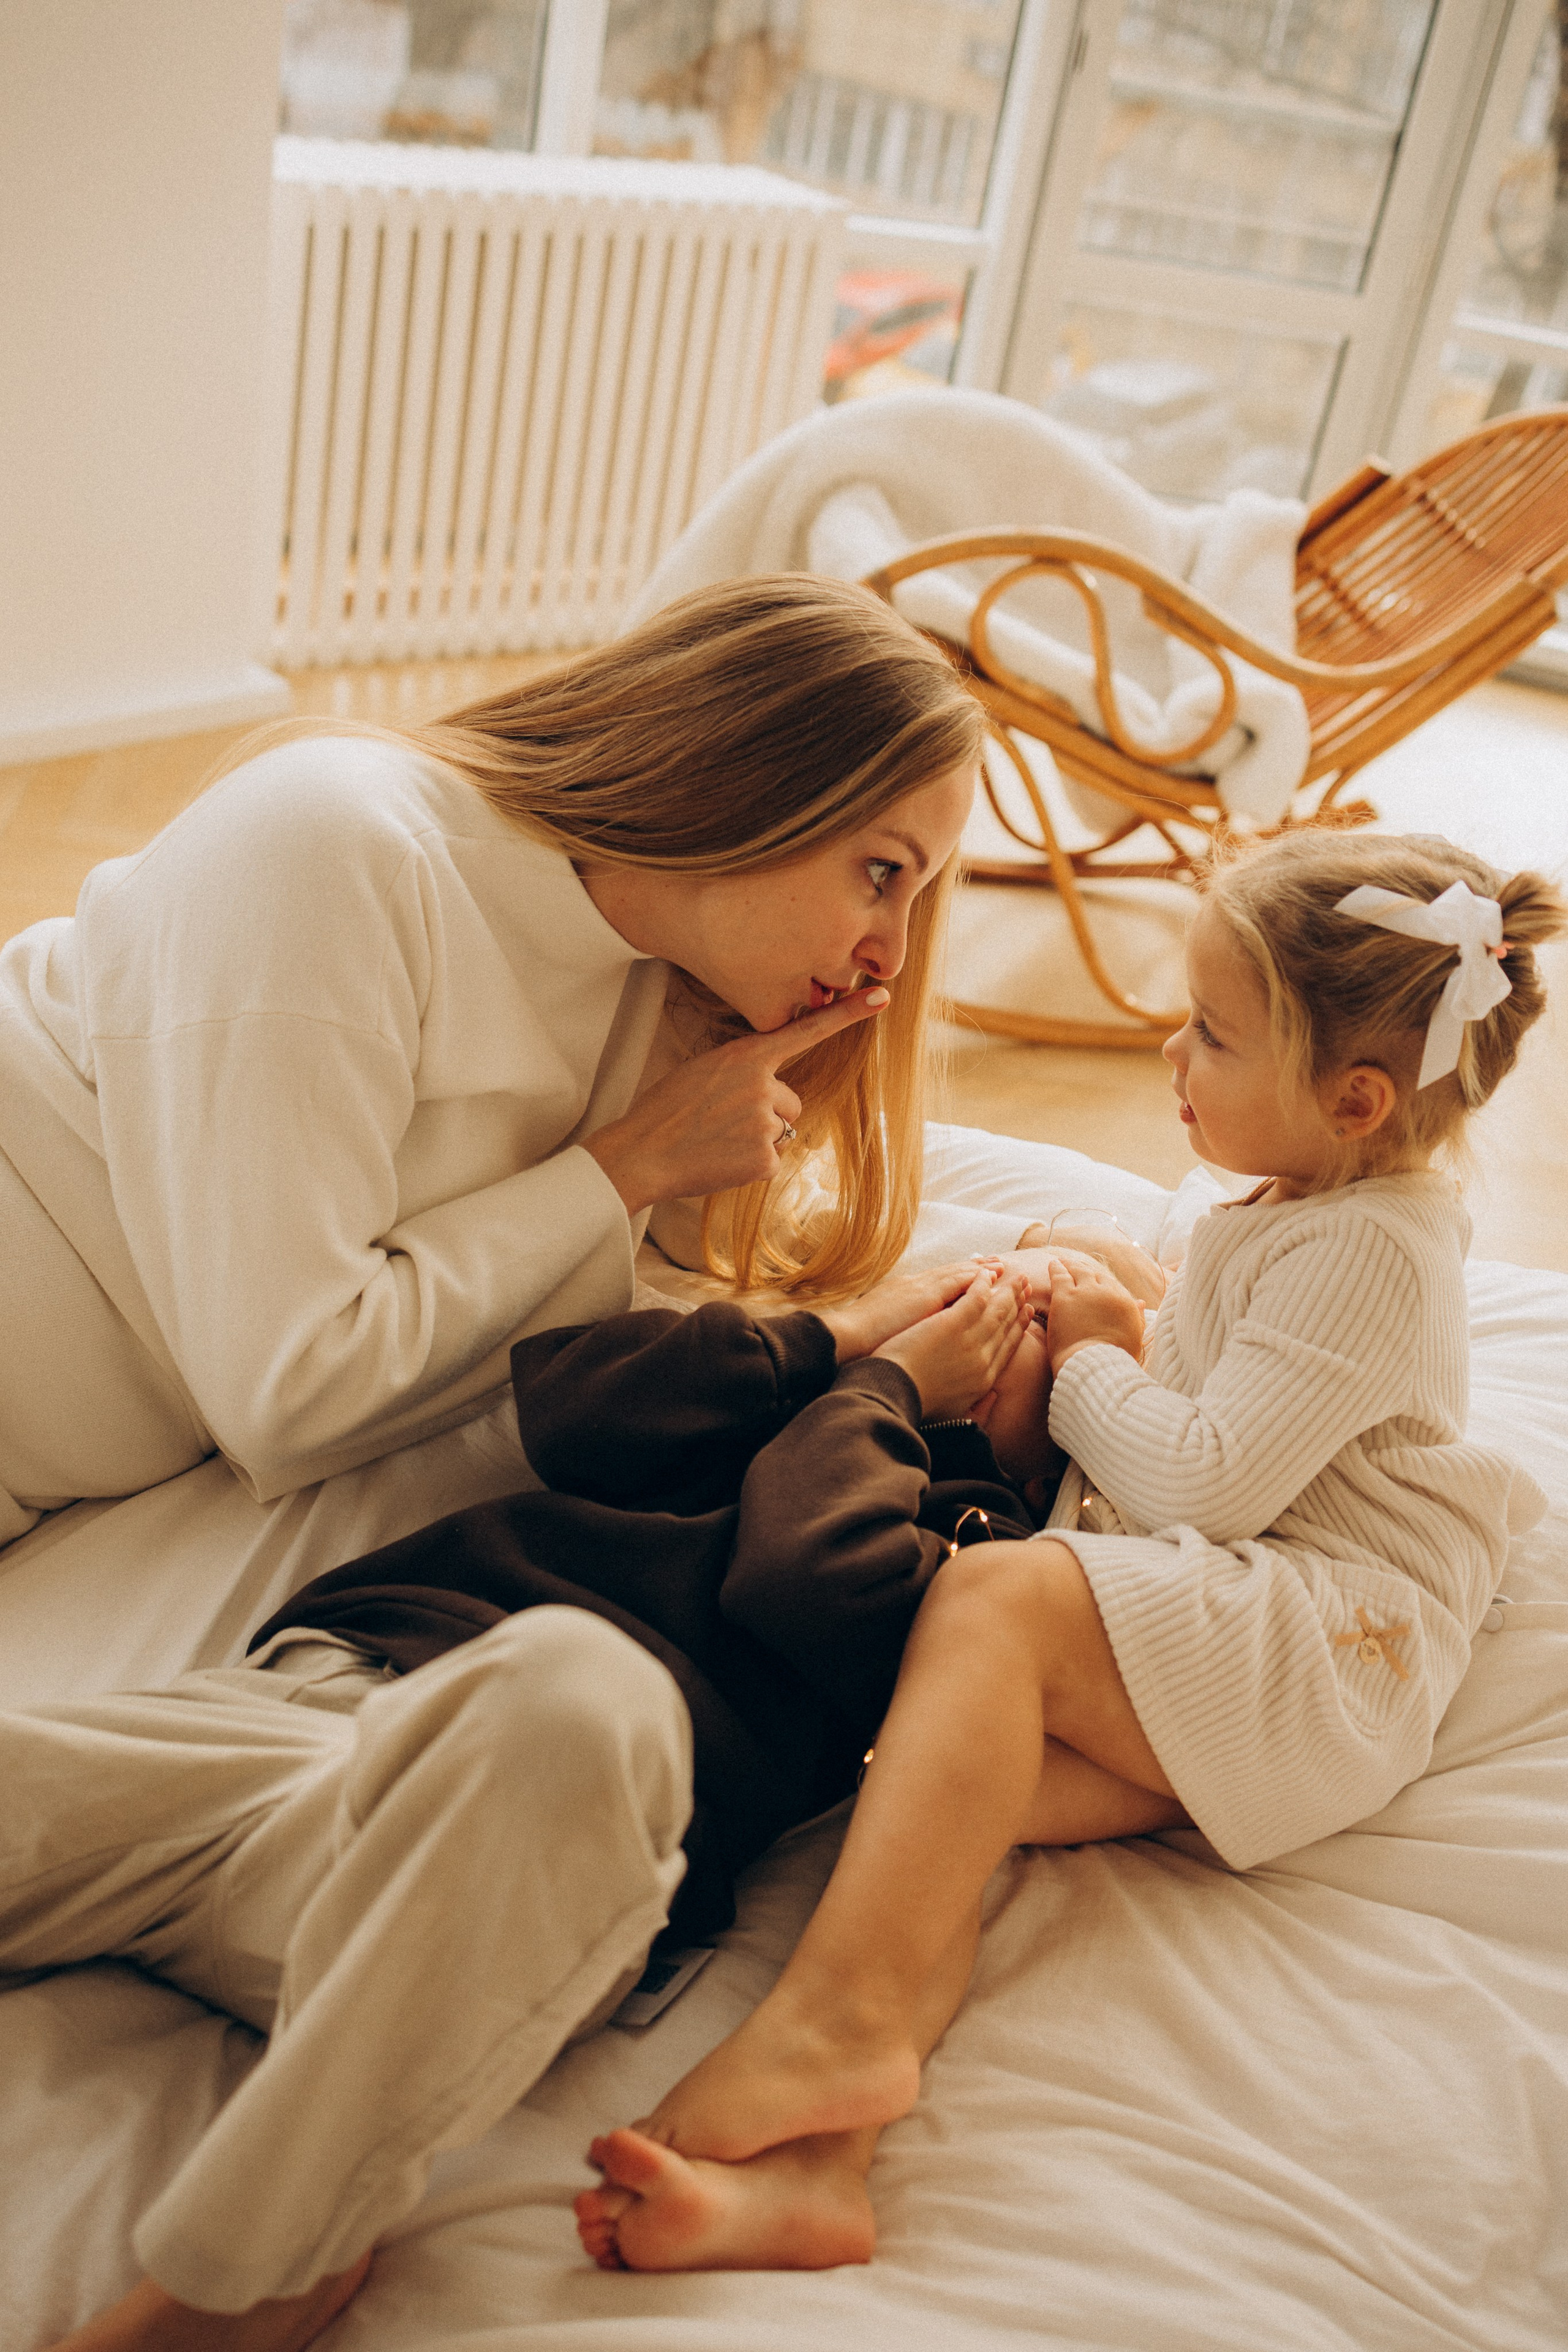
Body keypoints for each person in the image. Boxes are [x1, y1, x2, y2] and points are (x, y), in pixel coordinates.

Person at [573, 828, 1562, 2276]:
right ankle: (822, 2170)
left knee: (997, 1597)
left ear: (1352, 1100)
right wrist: (1113, 1316)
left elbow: (1208, 1488)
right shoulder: (1305, 1205)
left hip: (1327, 1647)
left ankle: (822, 2028)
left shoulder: (1372, 1252)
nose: (1172, 1051)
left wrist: (1098, 1355)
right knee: (934, 1811)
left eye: (1214, 1036)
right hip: (1244, 1654)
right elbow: (1233, 1407)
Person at [8, 1234, 1153, 2352]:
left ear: (1066, 1434)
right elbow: (567, 1400)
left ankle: (251, 2274)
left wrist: (892, 1392)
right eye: (992, 1269)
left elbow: (810, 1575)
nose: (999, 1291)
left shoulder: (981, 1560)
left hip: (513, 1849)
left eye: (1041, 1312)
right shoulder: (782, 1397)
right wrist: (843, 1336)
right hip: (297, 1716)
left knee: (577, 1683)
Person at [0, 575, 983, 1545]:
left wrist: (998, 1271)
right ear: (749, 782)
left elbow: (704, 1247)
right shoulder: (341, 852)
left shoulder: (658, 968)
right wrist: (630, 1163)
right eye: (882, 872)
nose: (891, 956)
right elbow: (285, 1391)